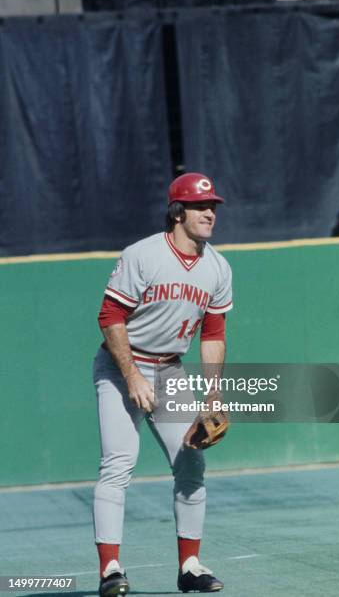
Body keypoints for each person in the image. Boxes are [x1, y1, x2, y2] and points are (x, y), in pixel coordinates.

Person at [93, 172, 233, 596]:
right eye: (199, 206)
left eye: (212, 206)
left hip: (170, 370)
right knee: (118, 463)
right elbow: (109, 317)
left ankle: (189, 567)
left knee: (191, 463)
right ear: (177, 212)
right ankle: (110, 570)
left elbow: (213, 333)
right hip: (121, 367)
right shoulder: (144, 255)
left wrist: (212, 394)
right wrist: (132, 375)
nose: (210, 212)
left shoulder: (218, 267)